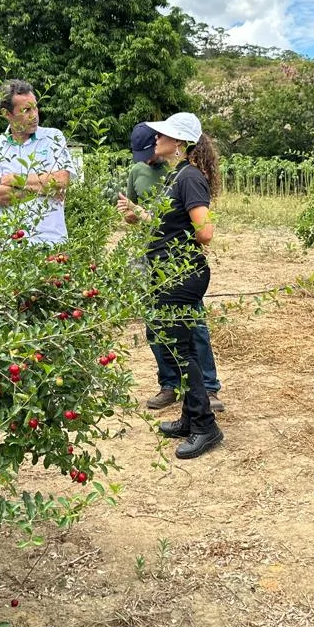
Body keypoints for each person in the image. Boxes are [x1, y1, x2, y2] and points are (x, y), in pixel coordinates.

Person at [116, 112, 224, 459]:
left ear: (178, 143)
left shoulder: (189, 177)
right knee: (183, 346)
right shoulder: (178, 176)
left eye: (162, 134)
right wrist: (140, 213)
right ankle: (190, 417)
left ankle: (206, 426)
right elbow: (168, 223)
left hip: (181, 273)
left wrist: (178, 237)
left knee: (183, 350)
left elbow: (204, 232)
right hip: (169, 272)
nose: (155, 138)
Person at [0, 80, 72, 245]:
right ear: (6, 113)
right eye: (26, 110)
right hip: (10, 249)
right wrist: (44, 189)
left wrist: (14, 179)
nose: (34, 115)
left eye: (35, 107)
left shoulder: (53, 137)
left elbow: (61, 181)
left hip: (52, 243)